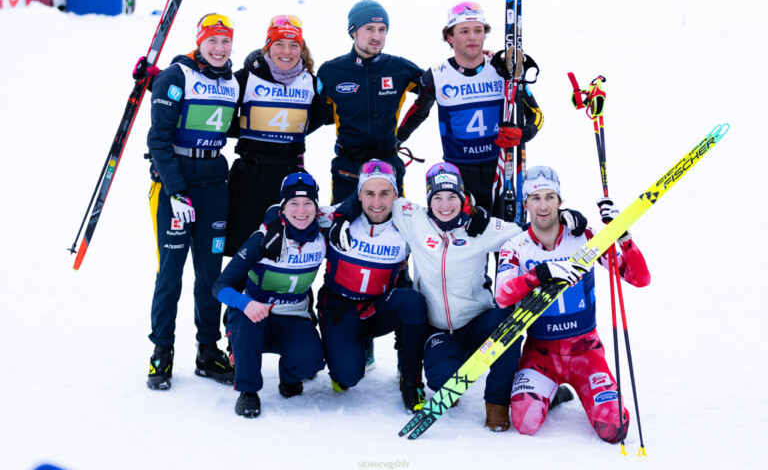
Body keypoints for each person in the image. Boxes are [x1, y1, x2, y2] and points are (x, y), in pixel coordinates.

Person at [331, 162, 587, 430]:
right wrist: (342, 217)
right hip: (439, 328)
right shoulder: (412, 218)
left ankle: (497, 404)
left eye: (452, 196)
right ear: (428, 198)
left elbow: (530, 231)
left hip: (479, 320)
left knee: (508, 326)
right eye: (437, 197)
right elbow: (373, 193)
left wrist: (563, 217)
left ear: (463, 197)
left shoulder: (483, 227)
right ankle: (483, 373)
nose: (445, 205)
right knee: (443, 380)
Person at [494, 165, 651, 442]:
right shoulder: (515, 246)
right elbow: (502, 295)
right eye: (535, 198)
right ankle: (551, 392)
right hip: (541, 353)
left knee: (614, 428)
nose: (543, 206)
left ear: (560, 201)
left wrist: (622, 236)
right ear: (525, 204)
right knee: (525, 422)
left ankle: (588, 392)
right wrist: (539, 274)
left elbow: (639, 278)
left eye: (550, 197)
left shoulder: (585, 237)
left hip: (585, 351)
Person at [144, 13, 239, 390]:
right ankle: (161, 352)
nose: (218, 48)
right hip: (176, 184)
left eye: (225, 41)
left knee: (210, 275)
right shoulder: (176, 76)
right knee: (170, 274)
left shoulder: (233, 81)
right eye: (212, 41)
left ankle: (207, 350)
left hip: (215, 181)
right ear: (199, 42)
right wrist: (175, 190)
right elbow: (158, 142)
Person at [396, 1, 544, 211]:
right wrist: (397, 139)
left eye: (478, 30)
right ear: (449, 36)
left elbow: (537, 115)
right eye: (464, 31)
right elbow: (418, 112)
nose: (473, 37)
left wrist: (522, 134)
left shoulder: (503, 69)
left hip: (502, 168)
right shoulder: (437, 75)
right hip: (459, 174)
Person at [312, 161, 429, 412]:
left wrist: (473, 213)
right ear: (359, 195)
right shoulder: (337, 217)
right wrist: (274, 221)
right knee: (346, 378)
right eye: (369, 194)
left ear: (396, 195)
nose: (377, 203)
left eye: (385, 193)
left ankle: (411, 380)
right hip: (340, 306)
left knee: (413, 302)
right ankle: (351, 348)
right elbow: (289, 210)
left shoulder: (407, 220)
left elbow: (445, 212)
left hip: (377, 307)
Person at [212, 172, 327, 418]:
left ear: (317, 208)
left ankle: (289, 375)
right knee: (246, 325)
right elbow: (220, 286)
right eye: (293, 204)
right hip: (255, 314)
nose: (301, 210)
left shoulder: (322, 237)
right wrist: (245, 303)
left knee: (312, 361)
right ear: (282, 209)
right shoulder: (263, 238)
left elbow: (349, 209)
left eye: (308, 203)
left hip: (294, 316)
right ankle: (248, 391)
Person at [224, 15, 331, 256]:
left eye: (294, 45)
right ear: (268, 47)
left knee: (284, 252)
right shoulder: (246, 77)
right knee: (242, 252)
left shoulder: (310, 83)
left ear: (301, 49)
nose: (287, 51)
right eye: (279, 44)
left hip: (289, 178)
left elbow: (318, 119)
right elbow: (213, 97)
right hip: (249, 177)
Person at [316, 0, 424, 203]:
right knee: (341, 228)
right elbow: (314, 115)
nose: (377, 36)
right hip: (347, 168)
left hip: (388, 165)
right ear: (353, 31)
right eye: (370, 29)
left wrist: (481, 63)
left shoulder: (400, 68)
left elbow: (441, 85)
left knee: (397, 230)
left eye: (382, 29)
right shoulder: (330, 72)